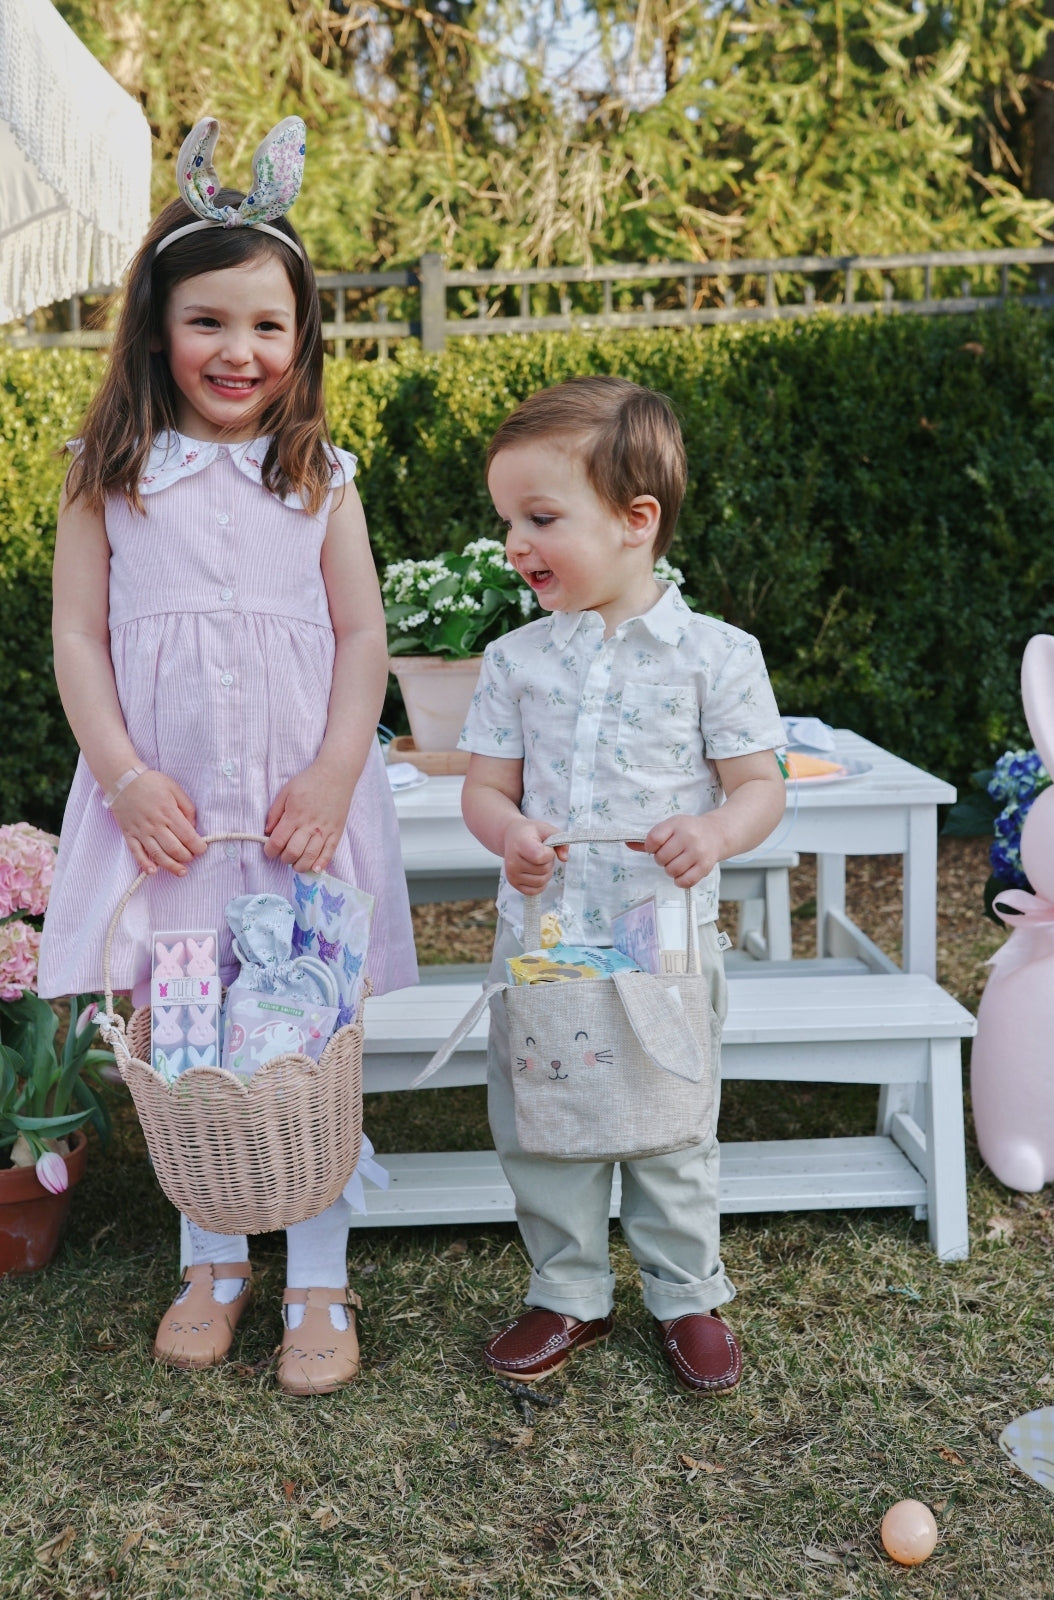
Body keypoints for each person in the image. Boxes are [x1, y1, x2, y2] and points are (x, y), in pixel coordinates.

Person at [37, 117, 417, 1394]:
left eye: (268, 324)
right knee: (194, 1032)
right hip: (179, 819)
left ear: (303, 336)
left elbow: (362, 635)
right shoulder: (110, 472)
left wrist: (334, 773)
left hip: (300, 813)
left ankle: (318, 1267)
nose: (238, 350)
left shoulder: (320, 475)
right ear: (156, 327)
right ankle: (214, 1259)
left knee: (304, 1034)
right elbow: (79, 642)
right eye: (209, 321)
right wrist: (130, 779)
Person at [459, 375, 785, 1394]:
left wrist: (713, 830)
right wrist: (509, 833)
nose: (517, 542)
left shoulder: (716, 658)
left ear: (637, 521)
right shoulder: (514, 662)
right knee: (547, 1123)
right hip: (552, 934)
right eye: (510, 519)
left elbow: (759, 787)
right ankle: (568, 1290)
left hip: (661, 938)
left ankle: (688, 1293)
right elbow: (483, 788)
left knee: (670, 1123)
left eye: (541, 518)